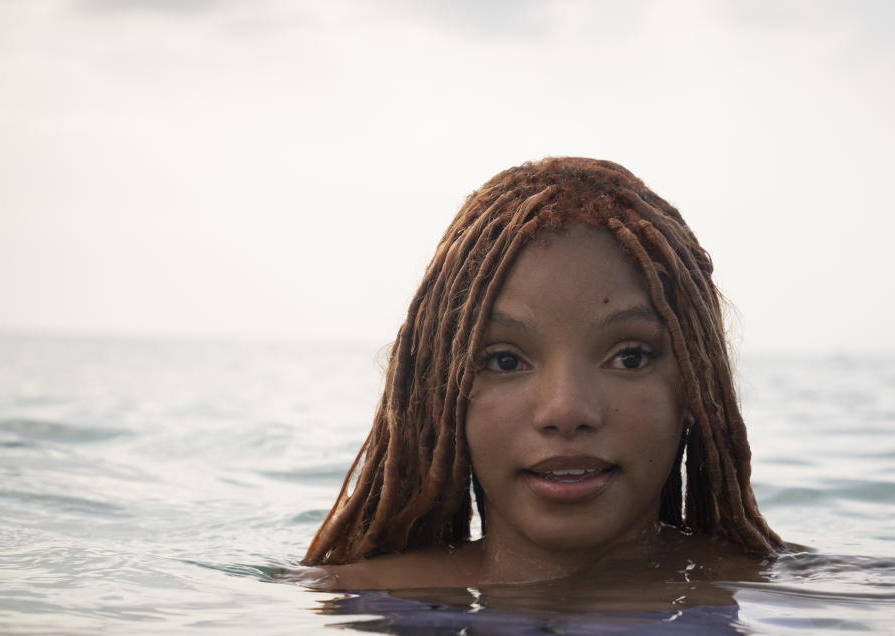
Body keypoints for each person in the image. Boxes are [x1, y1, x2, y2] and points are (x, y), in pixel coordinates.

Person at [300, 157, 782, 589]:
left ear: (697, 387)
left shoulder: (805, 597)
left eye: (630, 357)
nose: (566, 410)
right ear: (437, 398)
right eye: (505, 360)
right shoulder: (355, 601)